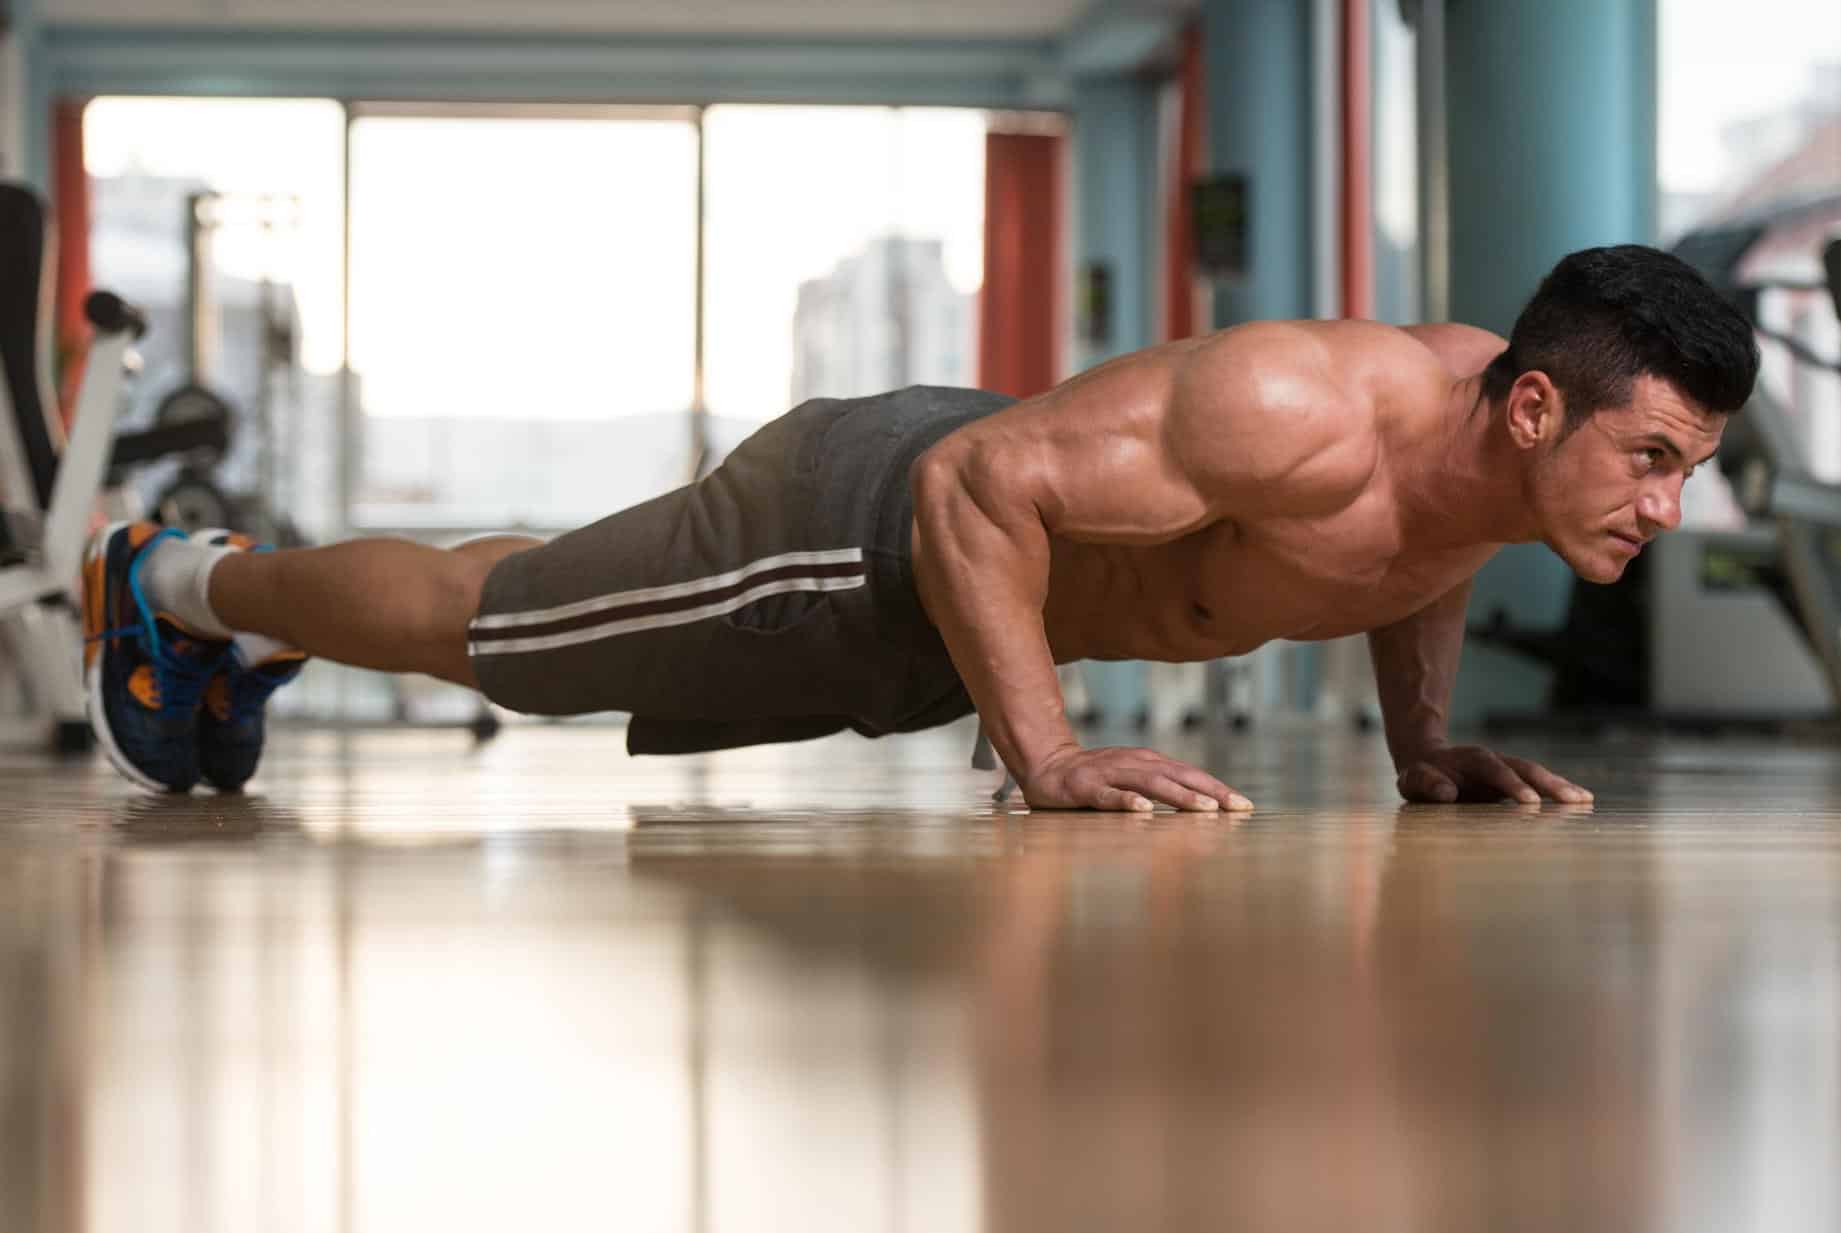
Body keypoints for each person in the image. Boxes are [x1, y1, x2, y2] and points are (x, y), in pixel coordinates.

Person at [81, 244, 1760, 808]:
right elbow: (980, 489)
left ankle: (254, 607)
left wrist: (1423, 747)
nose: (1666, 506)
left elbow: (1419, 558)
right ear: (1537, 406)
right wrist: (1046, 760)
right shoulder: (1298, 406)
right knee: (504, 631)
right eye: (1657, 457)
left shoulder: (1494, 462)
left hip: (947, 594)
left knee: (530, 598)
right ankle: (169, 575)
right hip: (873, 530)